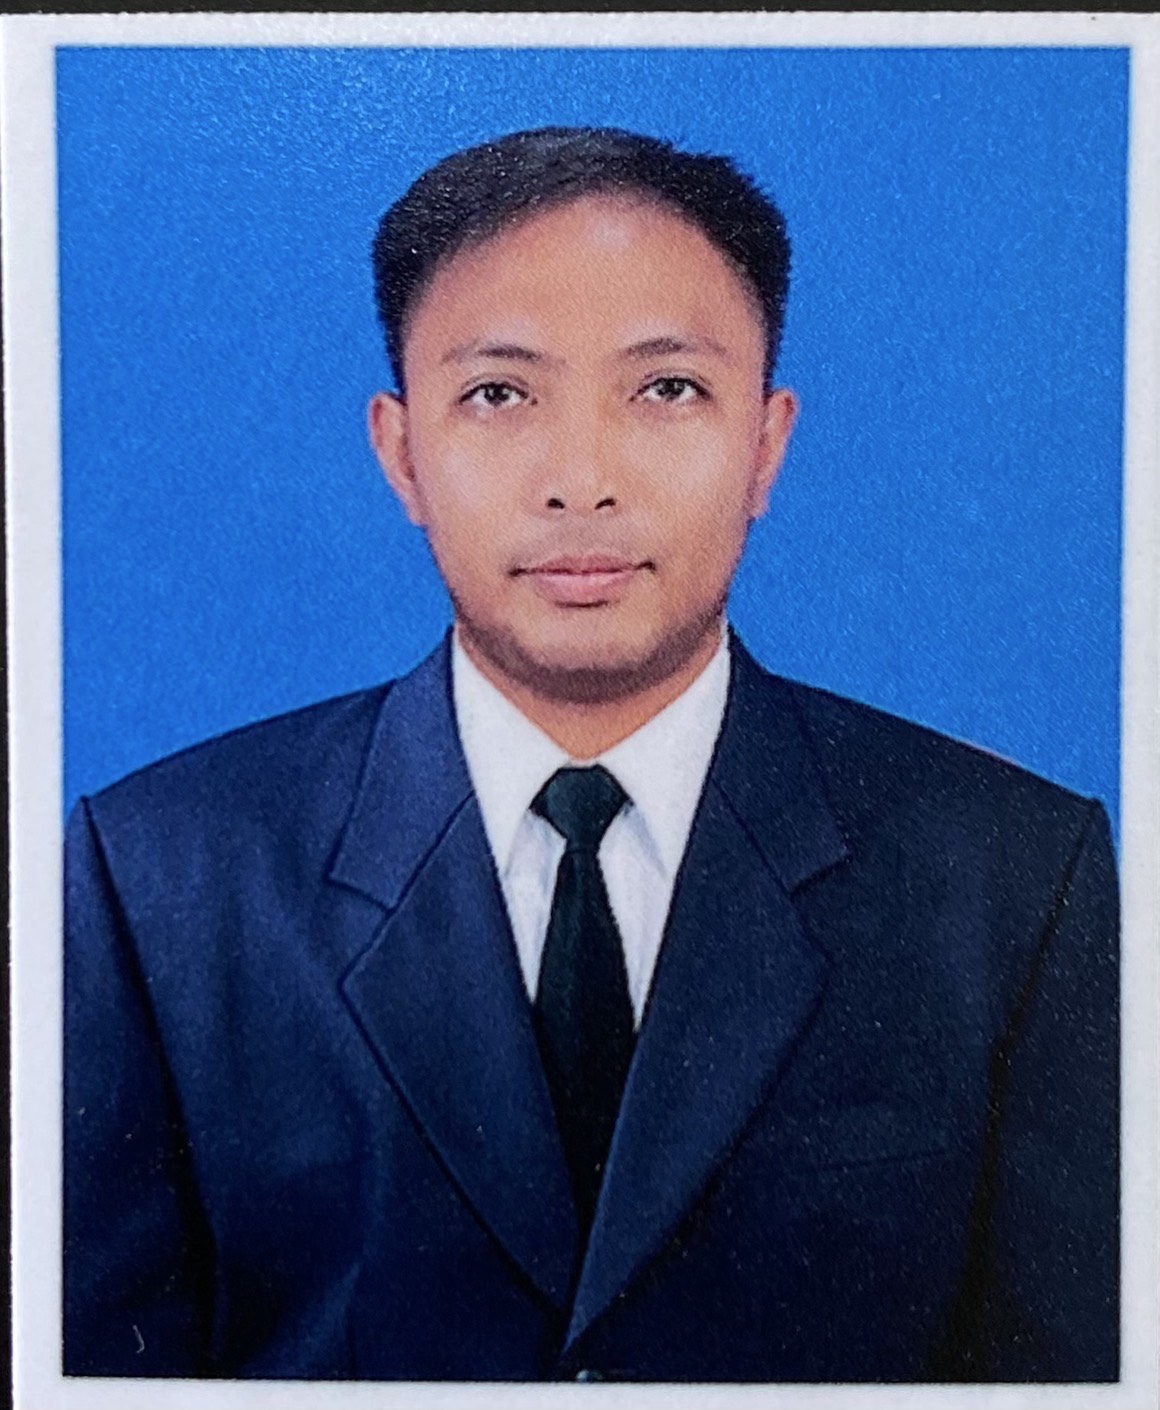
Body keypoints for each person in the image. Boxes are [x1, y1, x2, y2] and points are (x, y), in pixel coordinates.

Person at [63, 126, 1119, 1383]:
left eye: (664, 389)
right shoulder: (161, 879)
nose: (581, 481)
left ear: (765, 444)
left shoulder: (1011, 880)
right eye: (498, 395)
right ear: (400, 452)